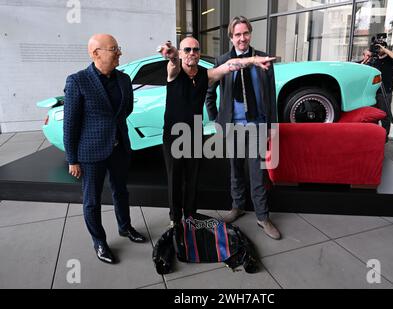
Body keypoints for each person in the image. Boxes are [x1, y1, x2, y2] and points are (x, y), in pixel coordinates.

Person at [159, 37, 275, 226]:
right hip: (174, 136)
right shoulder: (175, 72)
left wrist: (254, 60)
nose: (191, 53)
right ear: (180, 53)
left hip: (195, 134)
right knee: (175, 178)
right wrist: (172, 57)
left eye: (195, 49)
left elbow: (230, 65)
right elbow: (173, 65)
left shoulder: (206, 75)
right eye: (186, 50)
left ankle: (189, 215)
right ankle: (175, 219)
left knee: (192, 179)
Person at [64, 34, 147, 265]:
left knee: (121, 191)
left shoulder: (123, 79)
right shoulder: (77, 81)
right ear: (95, 53)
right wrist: (72, 159)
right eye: (113, 49)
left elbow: (126, 108)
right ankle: (99, 241)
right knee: (92, 200)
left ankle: (125, 227)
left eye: (118, 48)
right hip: (91, 152)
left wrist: (113, 130)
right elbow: (70, 123)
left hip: (119, 147)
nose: (119, 52)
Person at [205, 16, 281, 240]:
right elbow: (210, 94)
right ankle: (237, 207)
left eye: (245, 33)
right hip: (232, 127)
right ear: (231, 37)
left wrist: (271, 127)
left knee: (259, 174)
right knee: (235, 170)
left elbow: (270, 95)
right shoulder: (223, 60)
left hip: (257, 125)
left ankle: (262, 216)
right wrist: (217, 120)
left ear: (250, 34)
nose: (242, 38)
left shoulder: (263, 59)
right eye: (237, 34)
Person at [362, 44, 393, 141]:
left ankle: (384, 137)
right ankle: (374, 135)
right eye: (377, 47)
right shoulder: (373, 60)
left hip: (385, 91)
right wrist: (368, 57)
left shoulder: (389, 59)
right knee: (373, 115)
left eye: (380, 47)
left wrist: (384, 50)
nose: (379, 49)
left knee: (385, 115)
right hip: (372, 92)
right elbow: (361, 68)